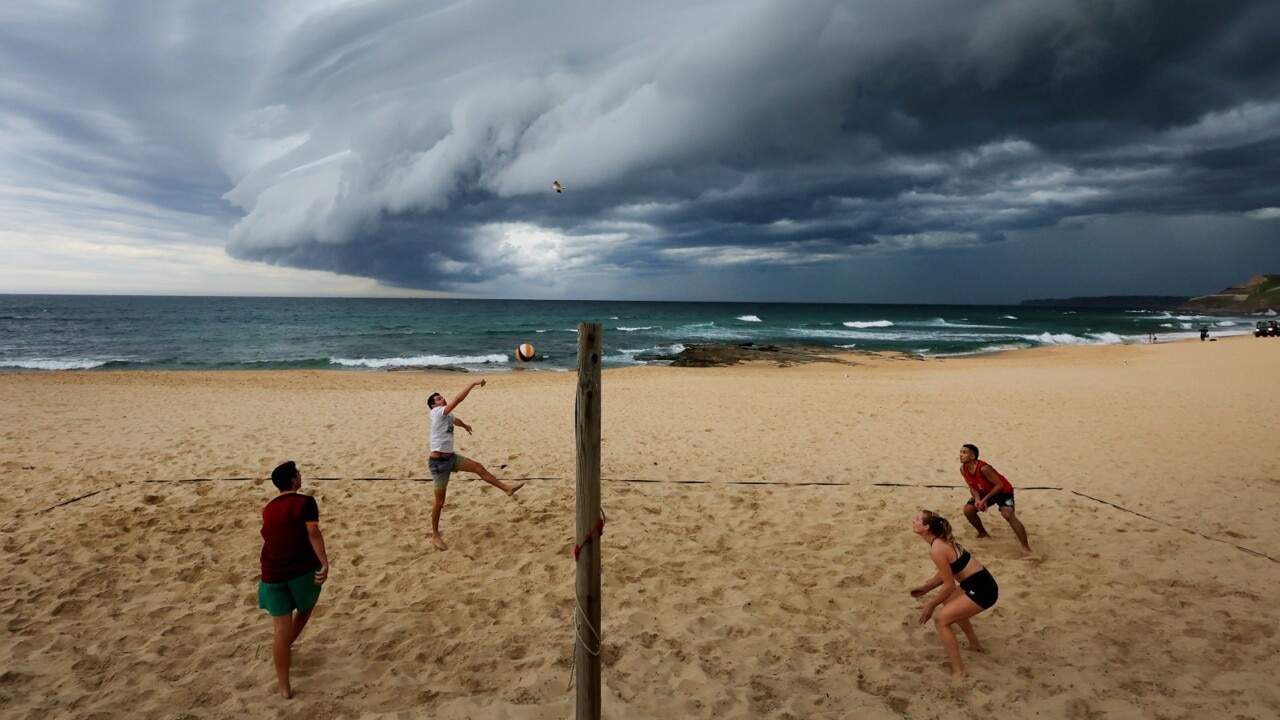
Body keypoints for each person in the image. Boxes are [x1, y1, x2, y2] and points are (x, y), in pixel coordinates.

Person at [257, 461, 329, 699]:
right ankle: (286, 648)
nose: (300, 475)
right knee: (307, 606)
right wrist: (325, 562)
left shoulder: (268, 508)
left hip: (270, 573)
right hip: (298, 571)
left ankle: (284, 688)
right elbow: (313, 533)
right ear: (292, 481)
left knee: (280, 629)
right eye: (298, 473)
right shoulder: (305, 502)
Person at [427, 379, 525, 551]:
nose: (443, 399)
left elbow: (455, 420)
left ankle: (507, 488)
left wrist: (465, 426)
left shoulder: (447, 415)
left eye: (442, 398)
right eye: (439, 399)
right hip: (439, 464)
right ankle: (435, 535)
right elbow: (458, 399)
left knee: (479, 468)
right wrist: (472, 384)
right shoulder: (436, 413)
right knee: (440, 502)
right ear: (433, 405)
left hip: (452, 459)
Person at [910, 510, 999, 678]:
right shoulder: (940, 542)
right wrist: (926, 587)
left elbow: (949, 585)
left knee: (941, 620)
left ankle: (959, 671)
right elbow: (946, 574)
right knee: (949, 602)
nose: (913, 522)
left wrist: (931, 605)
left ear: (926, 527)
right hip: (977, 583)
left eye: (917, 520)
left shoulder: (938, 548)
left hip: (983, 590)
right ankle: (975, 645)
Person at [958, 444, 1031, 552]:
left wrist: (985, 499)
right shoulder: (963, 469)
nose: (960, 455)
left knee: (1008, 514)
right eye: (960, 452)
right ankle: (983, 533)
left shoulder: (984, 468)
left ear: (973, 456)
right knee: (968, 510)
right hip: (985, 491)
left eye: (964, 452)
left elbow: (999, 485)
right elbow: (972, 487)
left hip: (1003, 491)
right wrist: (978, 499)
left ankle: (1026, 547)